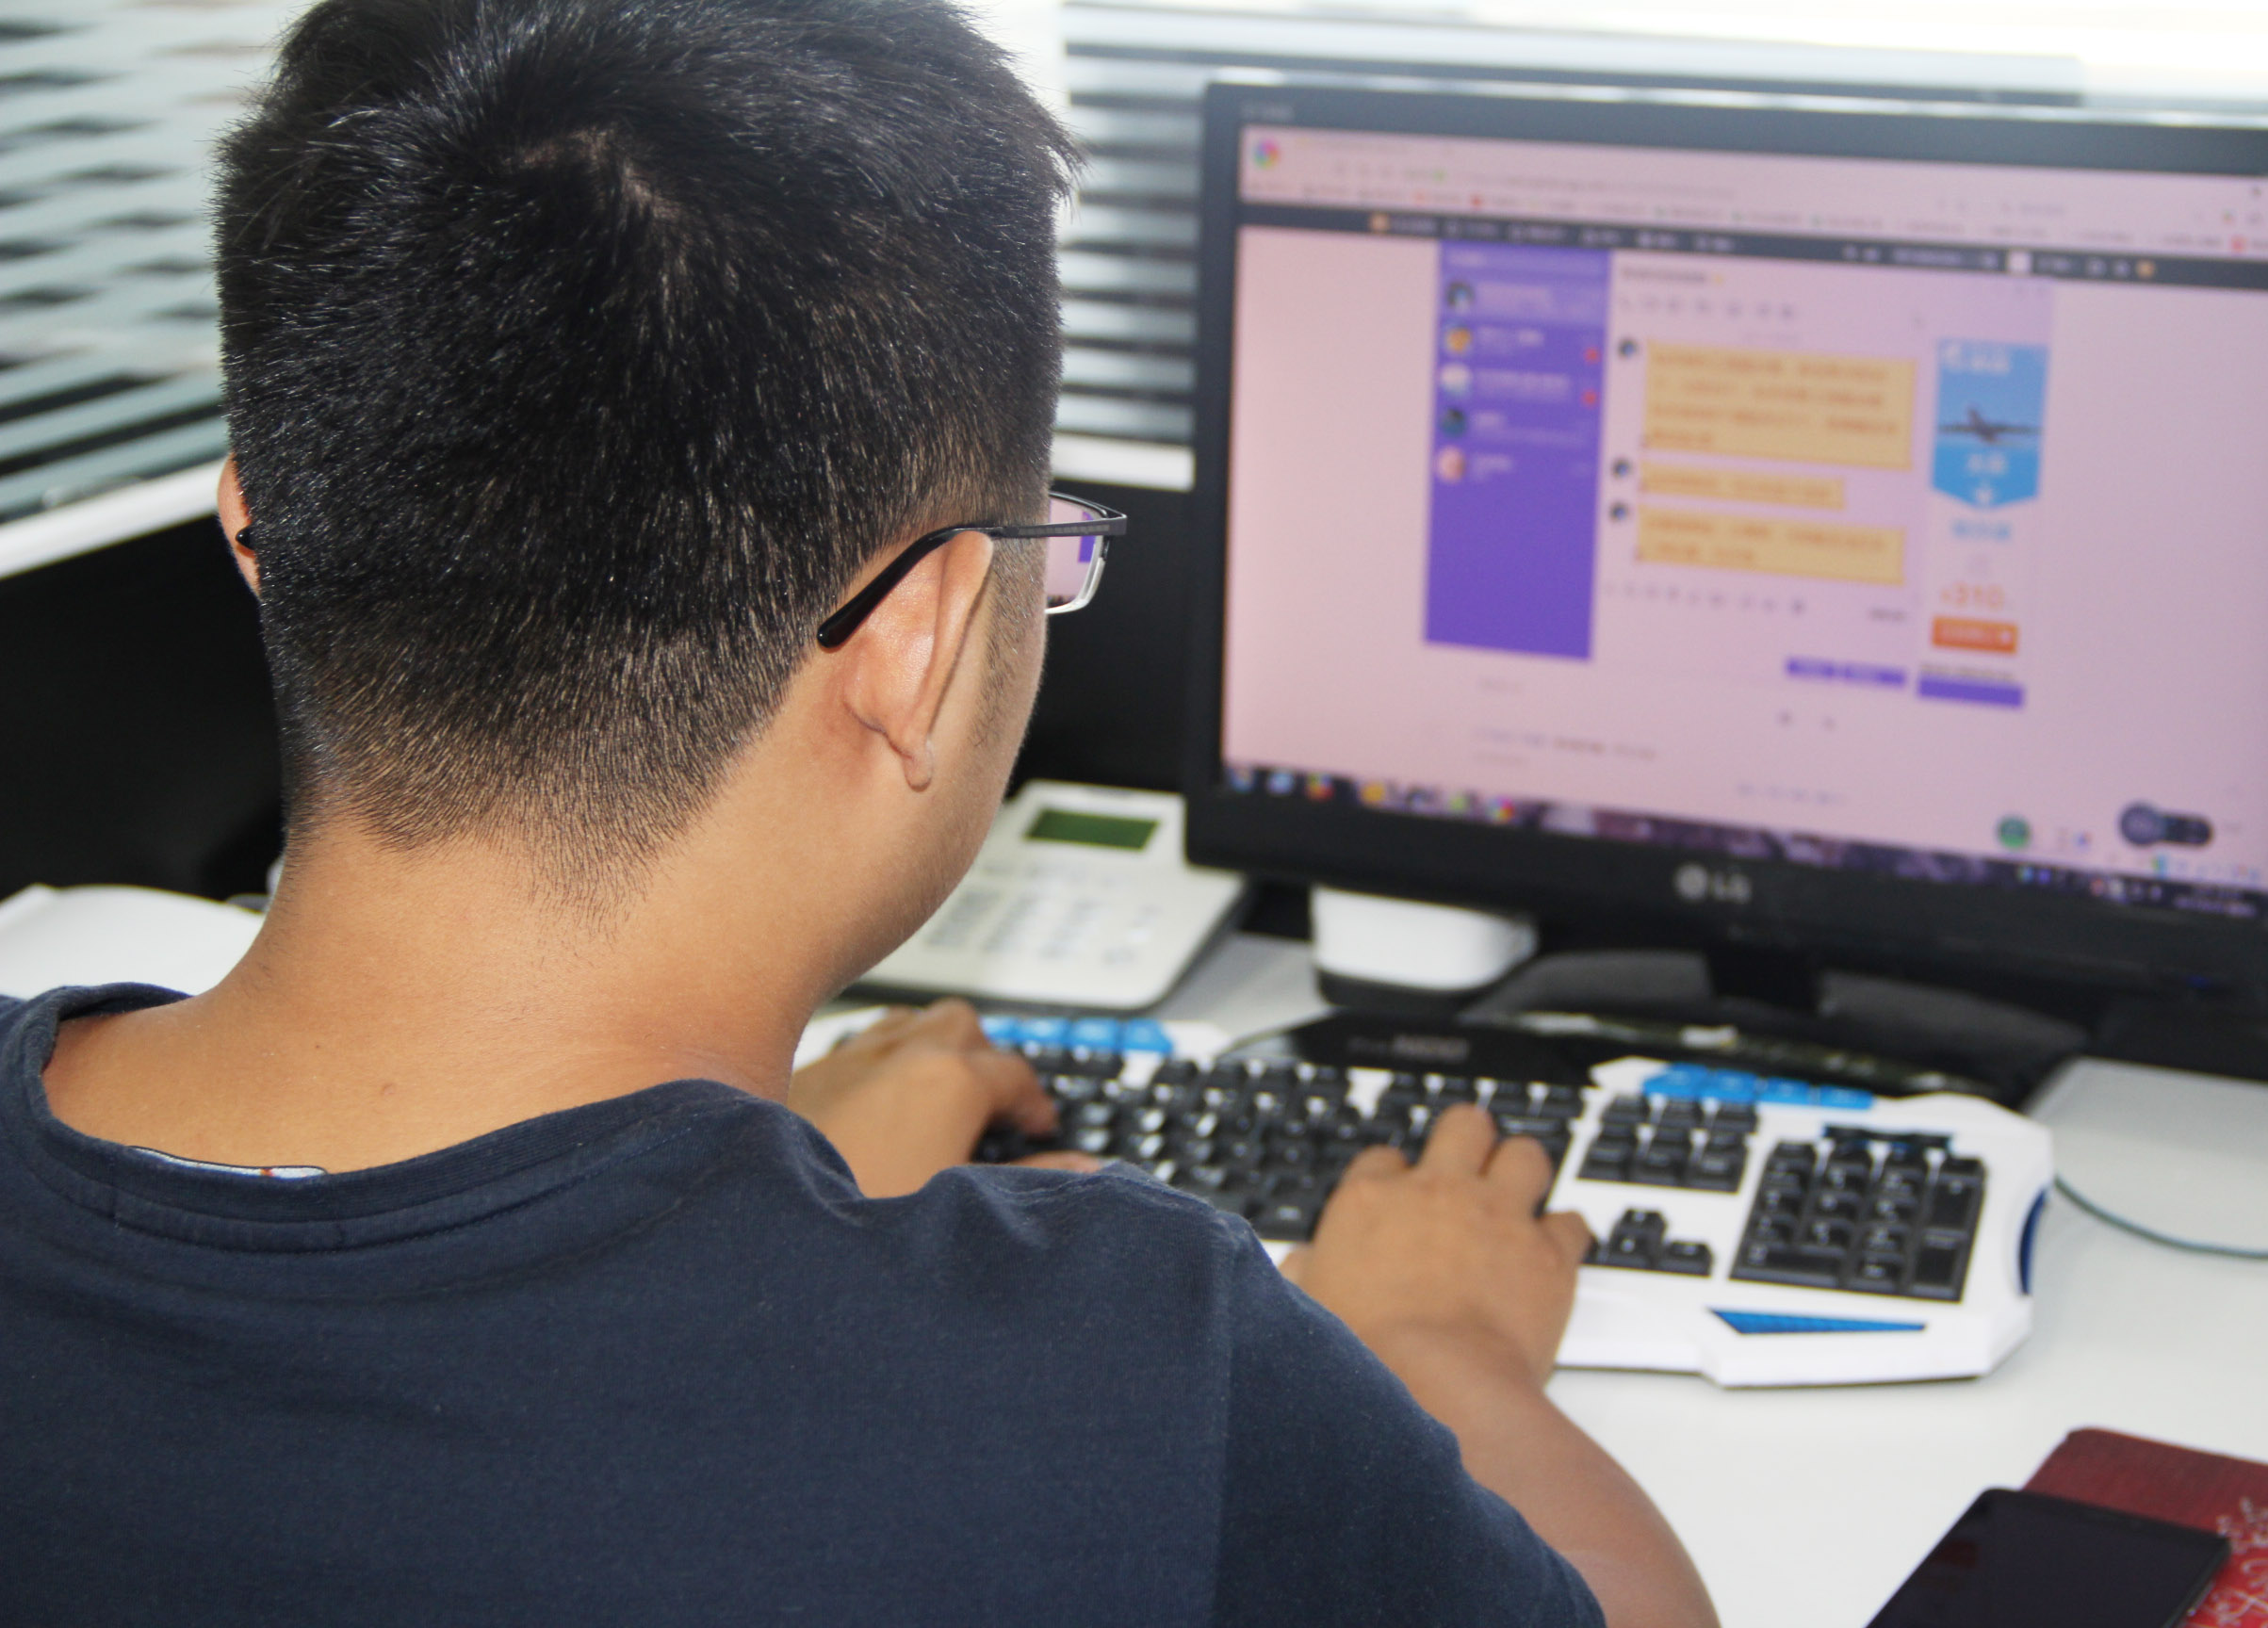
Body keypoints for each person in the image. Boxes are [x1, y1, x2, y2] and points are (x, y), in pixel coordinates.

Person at [0, 1, 1716, 1623]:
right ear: (918, 640)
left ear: (262, 533)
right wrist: (1444, 1350)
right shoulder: (1127, 1380)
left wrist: (756, 1201)